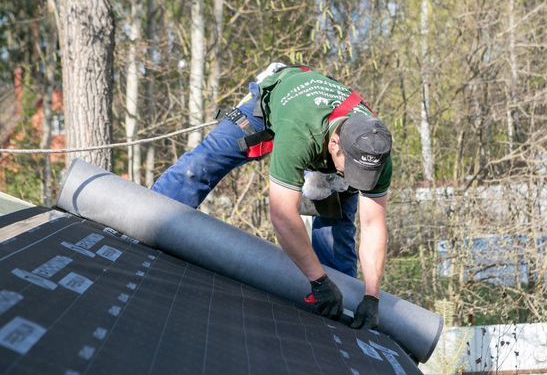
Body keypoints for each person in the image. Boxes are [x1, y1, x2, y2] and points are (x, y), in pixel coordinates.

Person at [152, 63, 393, 330]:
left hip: (328, 136)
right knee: (198, 168)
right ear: (335, 146)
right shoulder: (299, 133)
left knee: (336, 236)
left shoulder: (373, 148)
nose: (355, 178)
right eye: (352, 170)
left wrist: (372, 296)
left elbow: (373, 225)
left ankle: (334, 324)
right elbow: (282, 215)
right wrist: (319, 282)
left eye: (361, 174)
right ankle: (149, 223)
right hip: (272, 110)